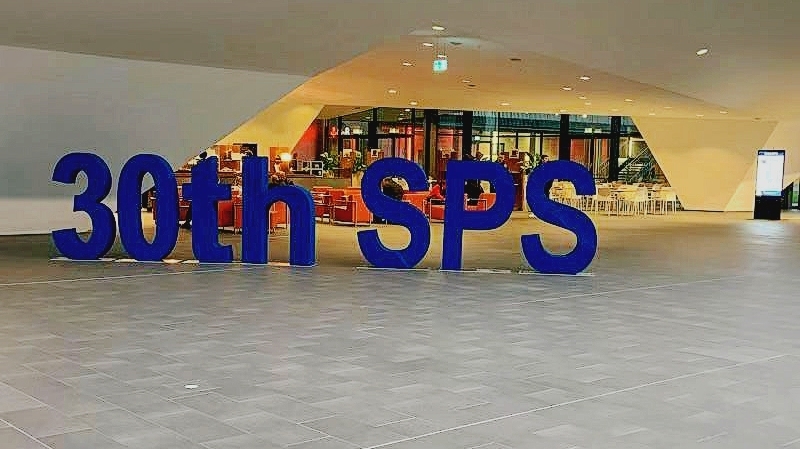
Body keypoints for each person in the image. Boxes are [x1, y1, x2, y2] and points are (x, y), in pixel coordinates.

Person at [180, 151, 208, 230]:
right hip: (205, 190)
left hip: (198, 189)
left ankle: (188, 221)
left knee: (193, 206)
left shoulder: (197, 166)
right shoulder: (209, 166)